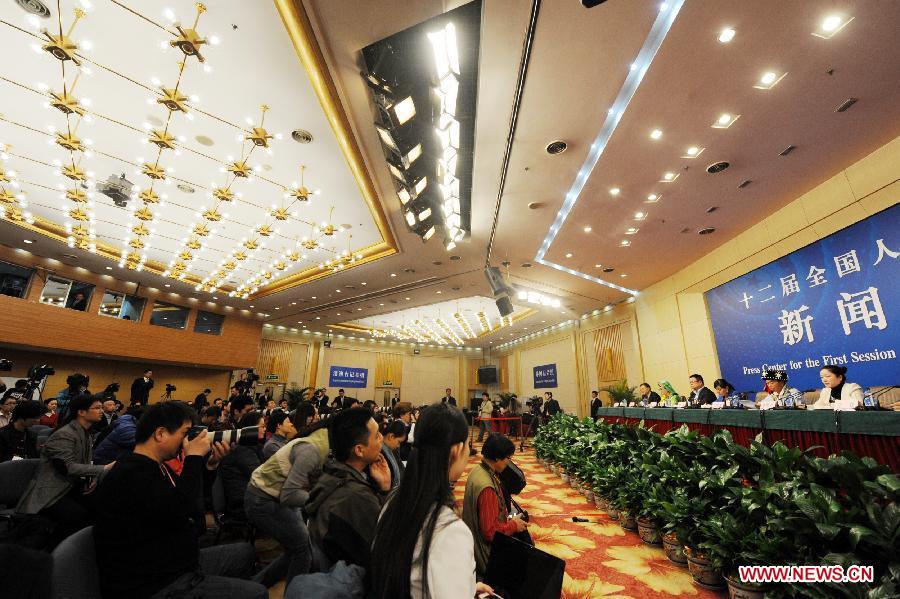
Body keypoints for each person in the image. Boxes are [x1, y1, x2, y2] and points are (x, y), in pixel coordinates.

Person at [94, 401, 267, 599]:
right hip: (153, 582)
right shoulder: (130, 473)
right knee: (257, 593)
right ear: (160, 433)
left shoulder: (157, 466)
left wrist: (210, 465)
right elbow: (178, 511)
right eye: (184, 434)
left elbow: (189, 499)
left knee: (245, 552)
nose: (187, 441)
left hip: (174, 561)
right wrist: (192, 458)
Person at [370, 402, 494, 599]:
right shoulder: (450, 531)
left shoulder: (393, 498)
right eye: (468, 447)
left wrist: (467, 586)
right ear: (457, 449)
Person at [244, 416, 330, 585]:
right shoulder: (312, 449)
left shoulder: (318, 442)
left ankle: (255, 585)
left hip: (272, 496)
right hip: (263, 498)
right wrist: (322, 500)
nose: (291, 425)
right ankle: (291, 592)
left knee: (297, 548)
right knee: (302, 549)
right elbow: (290, 494)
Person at [17, 393, 111, 546]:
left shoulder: (84, 433)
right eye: (97, 408)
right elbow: (69, 467)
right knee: (78, 515)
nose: (102, 411)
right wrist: (104, 469)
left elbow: (84, 462)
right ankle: (58, 552)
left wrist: (91, 477)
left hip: (70, 485)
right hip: (51, 490)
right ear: (81, 412)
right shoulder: (65, 434)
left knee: (102, 506)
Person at [305, 407, 392, 570]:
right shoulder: (356, 496)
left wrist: (384, 486)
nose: (382, 438)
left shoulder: (331, 472)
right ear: (359, 450)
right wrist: (386, 492)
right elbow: (385, 545)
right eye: (377, 435)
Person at [462, 434, 528, 575]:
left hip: (472, 545)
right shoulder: (487, 487)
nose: (509, 463)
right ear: (498, 458)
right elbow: (490, 532)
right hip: (486, 555)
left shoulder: (478, 470)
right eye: (508, 458)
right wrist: (513, 525)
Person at [218, 411, 264, 519]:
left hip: (249, 494)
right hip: (241, 501)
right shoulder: (242, 449)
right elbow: (259, 475)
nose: (264, 429)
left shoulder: (253, 446)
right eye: (262, 426)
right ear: (251, 429)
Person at [380, 419, 408, 489]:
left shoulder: (388, 449)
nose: (398, 446)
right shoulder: (380, 452)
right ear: (391, 437)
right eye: (399, 442)